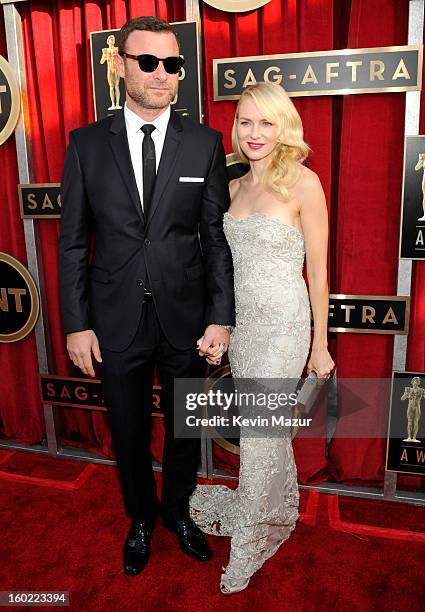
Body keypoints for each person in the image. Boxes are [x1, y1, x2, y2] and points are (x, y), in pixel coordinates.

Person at [59, 16, 235, 576]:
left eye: (173, 64)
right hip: (114, 318)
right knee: (128, 429)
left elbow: (214, 239)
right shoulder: (86, 144)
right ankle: (140, 515)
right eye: (148, 62)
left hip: (185, 318)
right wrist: (76, 323)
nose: (162, 74)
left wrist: (220, 317)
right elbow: (71, 244)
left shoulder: (205, 143)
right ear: (120, 65)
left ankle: (177, 510)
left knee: (186, 424)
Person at [190, 82, 335, 594]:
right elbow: (224, 272)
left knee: (256, 434)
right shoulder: (231, 188)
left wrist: (320, 344)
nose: (254, 133)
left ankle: (249, 543)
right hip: (245, 328)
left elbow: (317, 273)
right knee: (266, 433)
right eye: (246, 122)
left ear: (284, 127)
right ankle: (274, 508)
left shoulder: (304, 184)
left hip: (284, 327)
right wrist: (223, 327)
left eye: (266, 123)